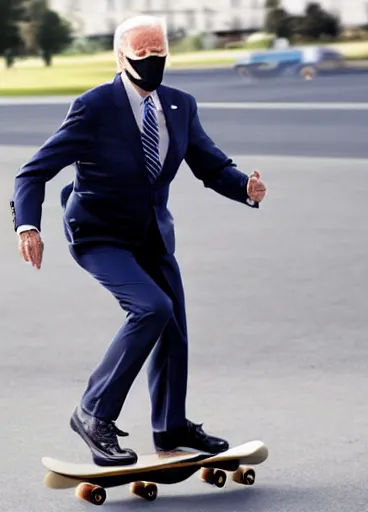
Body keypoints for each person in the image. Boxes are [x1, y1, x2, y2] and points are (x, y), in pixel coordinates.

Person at [10, 15, 267, 467]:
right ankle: (93, 413)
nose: (153, 62)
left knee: (174, 330)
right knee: (151, 308)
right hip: (99, 234)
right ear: (120, 57)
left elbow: (208, 164)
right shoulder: (94, 107)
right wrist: (27, 226)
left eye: (159, 53)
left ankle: (171, 426)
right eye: (142, 55)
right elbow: (33, 172)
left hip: (151, 236)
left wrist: (244, 186)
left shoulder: (179, 105)